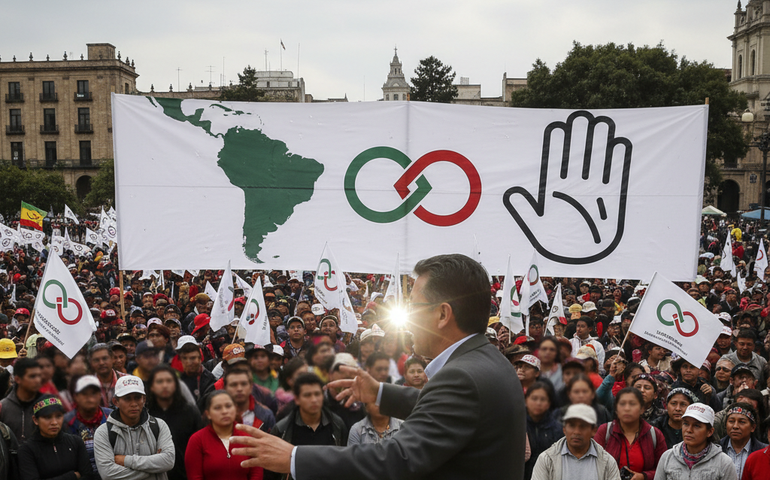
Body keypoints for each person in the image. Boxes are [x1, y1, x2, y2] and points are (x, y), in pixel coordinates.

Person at [231, 253, 525, 480]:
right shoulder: (488, 360)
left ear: (442, 315)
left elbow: (395, 459)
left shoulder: (461, 378)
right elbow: (443, 410)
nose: (409, 318)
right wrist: (381, 393)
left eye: (413, 306)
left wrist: (295, 458)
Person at [93, 375, 175, 480]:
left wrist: (126, 460)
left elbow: (168, 461)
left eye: (137, 397)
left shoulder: (159, 425)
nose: (133, 404)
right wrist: (155, 469)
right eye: (127, 398)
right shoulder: (103, 433)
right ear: (116, 402)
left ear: (144, 399)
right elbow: (108, 474)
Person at [185, 391, 263, 480]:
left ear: (236, 409)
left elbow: (256, 474)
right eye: (217, 408)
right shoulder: (197, 440)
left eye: (228, 406)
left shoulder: (248, 438)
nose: (224, 411)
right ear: (208, 414)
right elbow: (195, 476)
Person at [531, 404, 620, 480]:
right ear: (564, 429)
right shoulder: (547, 459)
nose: (576, 432)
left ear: (594, 430)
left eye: (583, 426)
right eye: (572, 426)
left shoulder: (607, 462)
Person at [147, 366, 205, 480]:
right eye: (159, 381)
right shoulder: (146, 414)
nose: (165, 385)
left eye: (169, 381)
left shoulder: (190, 412)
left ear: (176, 385)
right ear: (152, 387)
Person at [595, 387, 666, 480]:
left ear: (642, 409)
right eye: (622, 404)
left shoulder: (654, 434)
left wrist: (644, 476)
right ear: (616, 409)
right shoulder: (605, 431)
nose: (627, 408)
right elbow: (593, 464)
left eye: (632, 404)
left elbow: (664, 469)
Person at [653, 403, 737, 480]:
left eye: (696, 425)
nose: (689, 430)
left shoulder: (724, 463)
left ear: (709, 432)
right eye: (686, 424)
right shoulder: (668, 457)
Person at [18, 395, 92, 480]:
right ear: (35, 420)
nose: (54, 422)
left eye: (58, 416)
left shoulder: (76, 442)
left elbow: (88, 476)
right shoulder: (27, 450)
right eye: (47, 417)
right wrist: (73, 476)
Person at [64, 375, 113, 477]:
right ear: (76, 397)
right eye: (84, 394)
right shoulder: (67, 422)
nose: (89, 398)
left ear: (100, 395)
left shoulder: (112, 417)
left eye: (93, 393)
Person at [525, 382, 563, 480]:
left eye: (543, 399)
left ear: (549, 403)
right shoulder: (518, 426)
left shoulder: (557, 429)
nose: (538, 403)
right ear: (526, 400)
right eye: (534, 399)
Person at [719, 402, 767, 479]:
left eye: (742, 422)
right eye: (731, 421)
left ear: (753, 427)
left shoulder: (764, 452)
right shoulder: (716, 449)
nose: (735, 426)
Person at [0, 358, 42, 444]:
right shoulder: (3, 407)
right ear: (17, 379)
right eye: (32, 376)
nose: (37, 380)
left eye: (39, 376)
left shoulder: (44, 404)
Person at [177, 336, 216, 406]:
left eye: (192, 358)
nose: (189, 362)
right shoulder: (171, 377)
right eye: (185, 357)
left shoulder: (209, 379)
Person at [88, 343, 125, 408]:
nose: (101, 363)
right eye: (96, 360)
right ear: (91, 363)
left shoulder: (126, 380)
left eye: (105, 358)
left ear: (112, 359)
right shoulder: (87, 385)